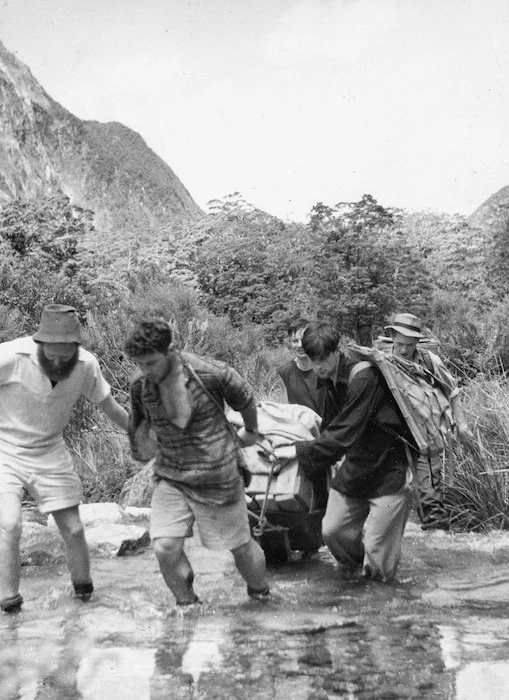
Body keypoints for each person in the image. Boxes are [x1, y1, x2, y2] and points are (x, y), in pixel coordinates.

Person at [124, 318, 269, 606]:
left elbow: (245, 397)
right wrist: (139, 446)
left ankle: (261, 595)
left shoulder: (210, 372)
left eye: (151, 362)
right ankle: (187, 605)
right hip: (171, 474)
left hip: (218, 474)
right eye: (140, 364)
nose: (145, 371)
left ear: (170, 350)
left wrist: (250, 431)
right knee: (164, 546)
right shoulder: (141, 385)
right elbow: (137, 426)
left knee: (239, 547)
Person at [0, 304, 129, 614]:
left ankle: (84, 597)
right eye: (52, 353)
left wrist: (142, 437)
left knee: (73, 529)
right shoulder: (9, 357)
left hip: (50, 450)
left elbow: (109, 407)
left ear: (77, 347)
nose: (58, 361)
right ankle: (9, 604)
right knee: (9, 524)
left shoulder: (85, 365)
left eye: (65, 355)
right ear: (40, 343)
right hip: (5, 448)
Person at [274, 322, 416, 582]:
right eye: (313, 361)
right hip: (357, 466)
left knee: (376, 548)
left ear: (336, 351)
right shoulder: (327, 379)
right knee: (332, 531)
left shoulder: (363, 377)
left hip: (389, 468)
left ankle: (379, 591)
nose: (318, 367)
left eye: (323, 360)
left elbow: (343, 433)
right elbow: (328, 428)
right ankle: (354, 577)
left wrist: (296, 451)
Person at [384, 312, 474, 531]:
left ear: (417, 341)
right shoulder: (382, 360)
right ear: (392, 337)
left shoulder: (429, 361)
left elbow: (452, 391)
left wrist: (461, 424)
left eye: (408, 344)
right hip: (392, 436)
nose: (404, 349)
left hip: (426, 434)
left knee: (430, 495)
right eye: (399, 343)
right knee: (388, 493)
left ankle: (437, 539)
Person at [277, 316, 325, 417]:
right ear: (290, 343)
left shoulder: (325, 367)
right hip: (299, 428)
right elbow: (286, 408)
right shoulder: (284, 372)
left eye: (303, 340)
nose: (299, 345)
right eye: (295, 341)